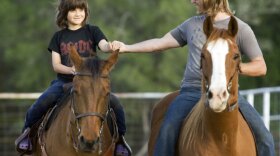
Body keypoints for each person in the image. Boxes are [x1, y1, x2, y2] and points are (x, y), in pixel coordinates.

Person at [111, 0, 275, 155]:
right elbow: (159, 43)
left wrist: (230, 67)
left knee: (266, 139)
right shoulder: (191, 25)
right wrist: (126, 47)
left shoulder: (240, 28)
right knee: (168, 128)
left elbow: (260, 66)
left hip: (230, 93)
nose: (192, 1)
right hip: (192, 91)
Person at [15, 0, 131, 155]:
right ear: (65, 13)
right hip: (64, 82)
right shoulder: (58, 37)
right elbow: (56, 65)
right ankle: (27, 136)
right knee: (42, 101)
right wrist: (71, 69)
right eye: (73, 10)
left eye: (81, 10)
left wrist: (111, 46)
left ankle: (120, 141)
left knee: (116, 105)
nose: (78, 13)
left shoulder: (92, 31)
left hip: (90, 84)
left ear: (86, 12)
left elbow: (103, 45)